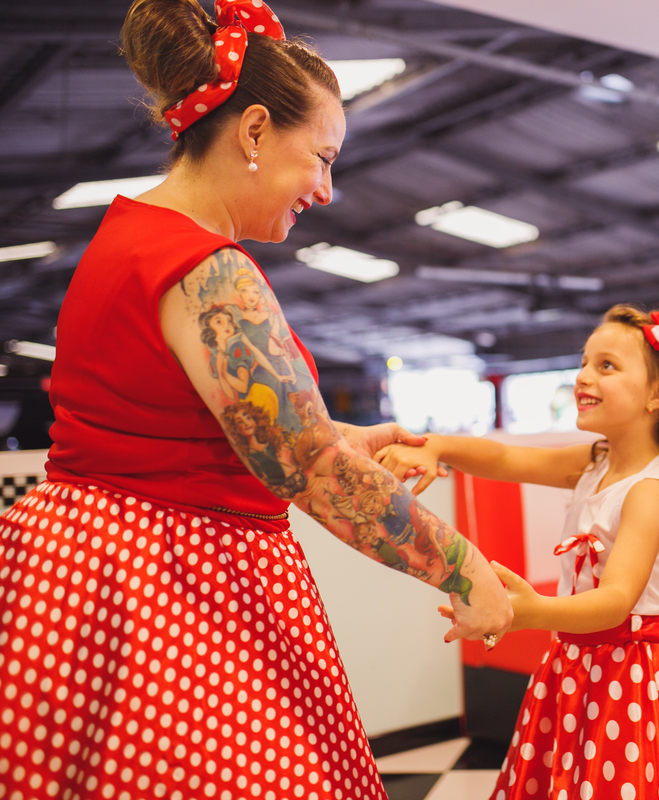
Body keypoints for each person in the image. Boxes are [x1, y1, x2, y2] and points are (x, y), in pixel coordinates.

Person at [0, 1, 511, 797]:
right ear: (254, 131)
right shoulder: (209, 269)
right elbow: (307, 467)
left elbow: (188, 418)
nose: (328, 189)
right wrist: (465, 569)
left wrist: (332, 431)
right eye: (322, 156)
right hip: (172, 587)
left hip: (94, 573)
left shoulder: (127, 235)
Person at [376, 306, 659, 800]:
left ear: (658, 394)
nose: (583, 375)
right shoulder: (598, 461)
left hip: (634, 676)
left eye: (606, 365)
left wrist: (533, 612)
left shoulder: (650, 490)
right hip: (578, 664)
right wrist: (434, 446)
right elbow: (506, 457)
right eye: (584, 362)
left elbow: (617, 599)